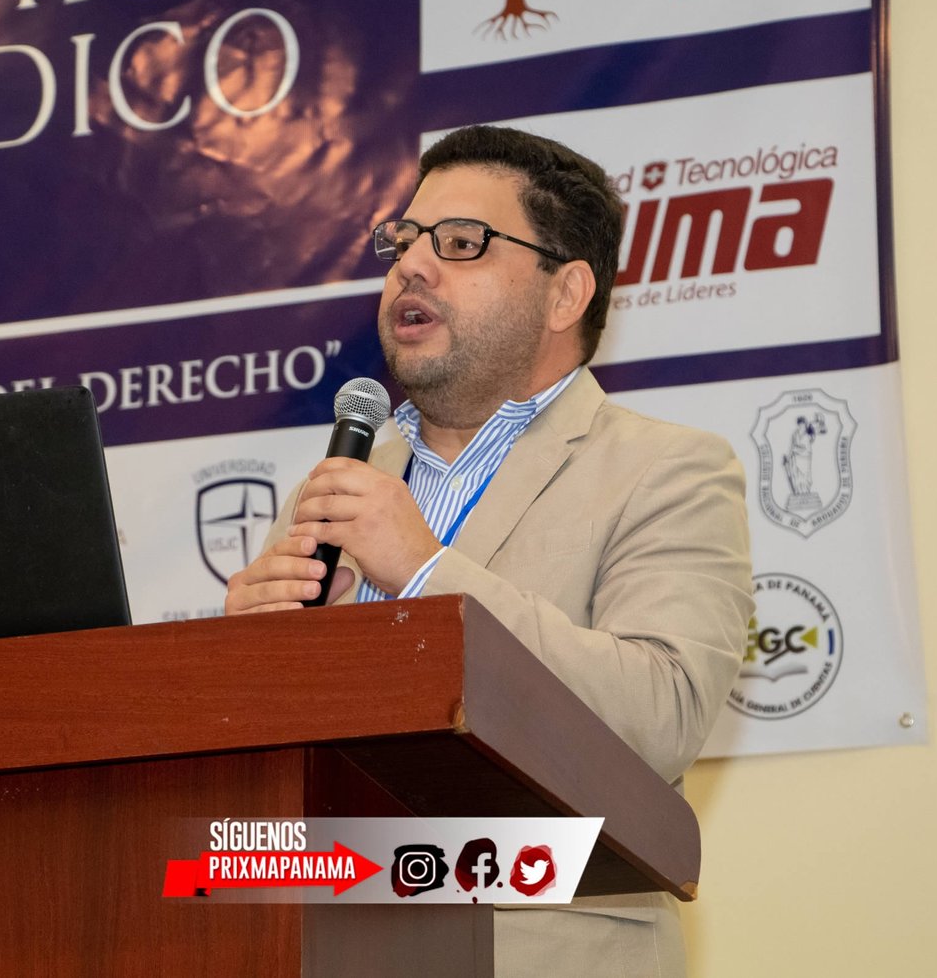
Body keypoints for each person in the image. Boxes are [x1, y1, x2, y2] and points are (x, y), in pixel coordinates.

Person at [225, 125, 753, 978]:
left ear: (564, 293)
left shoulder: (667, 470)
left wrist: (426, 571)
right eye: (404, 240)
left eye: (462, 243)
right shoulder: (338, 483)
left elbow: (660, 716)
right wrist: (240, 662)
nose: (412, 266)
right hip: (327, 940)